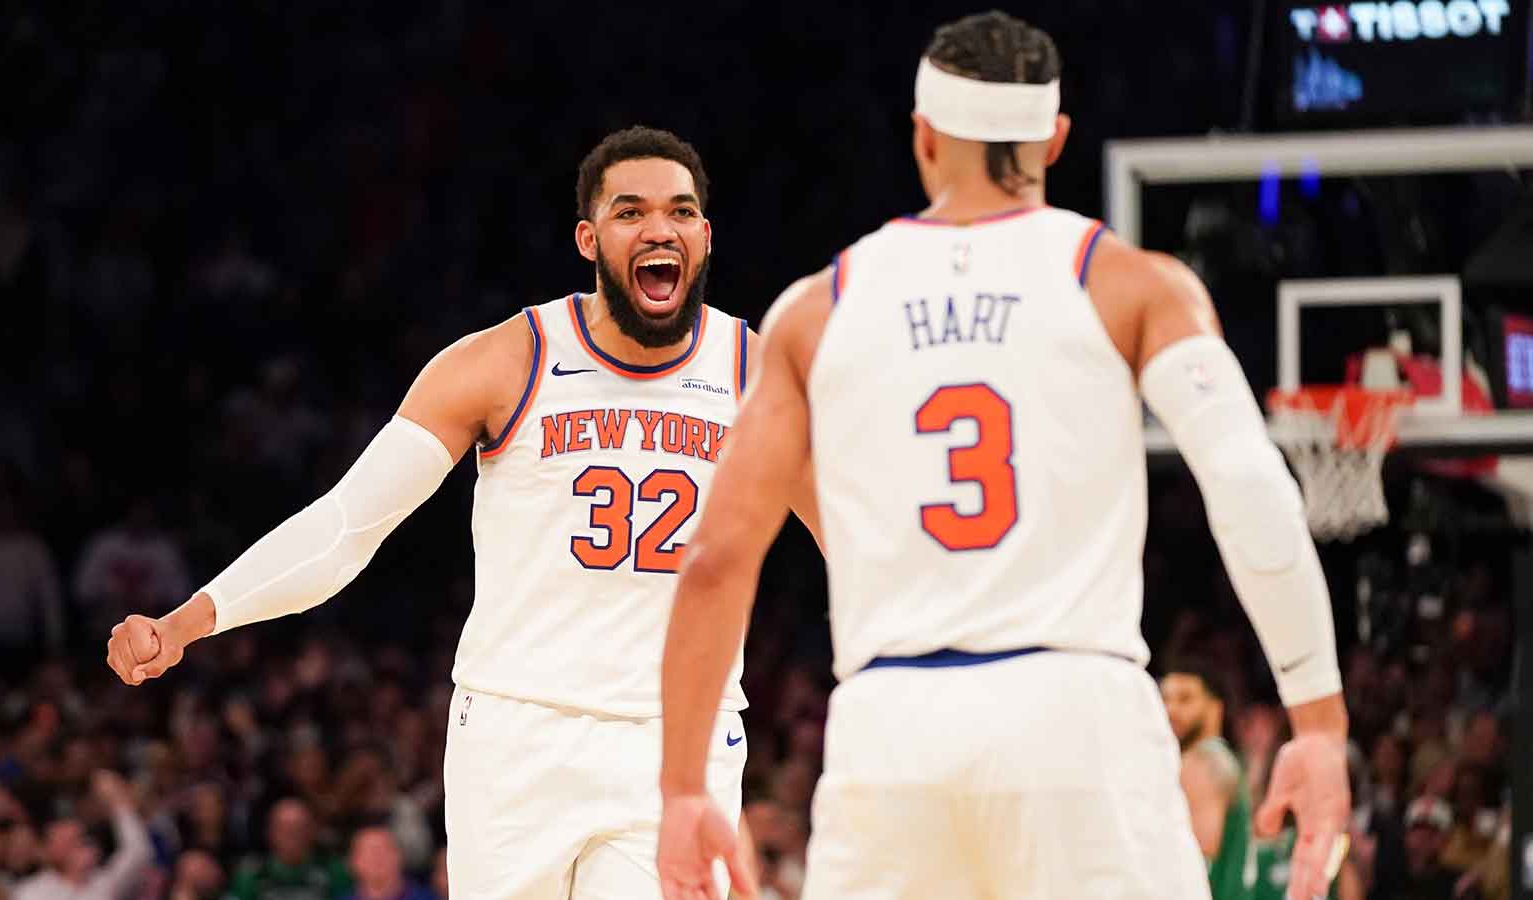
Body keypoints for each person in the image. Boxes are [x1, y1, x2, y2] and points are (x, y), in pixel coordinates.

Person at [655, 10, 1350, 900]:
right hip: (1079, 719)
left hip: (891, 733)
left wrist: (681, 789)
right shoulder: (1134, 282)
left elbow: (715, 559)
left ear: (924, 136)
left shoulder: (816, 310)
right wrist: (1319, 723)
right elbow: (1252, 487)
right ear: (1055, 139)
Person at [105, 126, 817, 899]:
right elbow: (348, 525)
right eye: (630, 211)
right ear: (588, 237)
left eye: (680, 212)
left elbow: (855, 538)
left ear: (704, 236)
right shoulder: (506, 360)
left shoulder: (758, 374)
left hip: (680, 745)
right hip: (517, 734)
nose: (658, 229)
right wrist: (190, 620)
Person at [1161, 662, 1252, 900]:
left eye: (1185, 699)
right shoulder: (1223, 760)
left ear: (1215, 707)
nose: (1171, 709)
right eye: (1165, 698)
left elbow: (1194, 862)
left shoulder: (1203, 761)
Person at [12, 770, 153, 900]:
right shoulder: (32, 893)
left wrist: (118, 803)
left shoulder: (102, 883)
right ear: (50, 852)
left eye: (82, 839)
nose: (84, 846)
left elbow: (138, 851)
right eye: (72, 843)